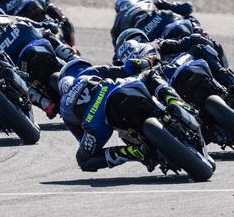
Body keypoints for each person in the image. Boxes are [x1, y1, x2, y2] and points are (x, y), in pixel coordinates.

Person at [58, 58, 192, 173]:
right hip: (119, 89)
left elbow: (82, 138)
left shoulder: (64, 109)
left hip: (99, 123)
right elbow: (128, 68)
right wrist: (148, 61)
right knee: (150, 74)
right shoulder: (88, 72)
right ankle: (175, 101)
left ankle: (133, 152)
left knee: (84, 160)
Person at [0, 6, 78, 118]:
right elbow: (35, 24)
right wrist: (48, 24)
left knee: (17, 84)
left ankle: (45, 104)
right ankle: (74, 60)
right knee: (47, 33)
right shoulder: (11, 19)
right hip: (35, 47)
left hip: (22, 63)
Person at [114, 28, 234, 89]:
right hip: (167, 79)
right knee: (199, 48)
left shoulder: (123, 70)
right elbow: (184, 43)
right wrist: (202, 40)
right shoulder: (154, 44)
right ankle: (228, 79)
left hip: (162, 86)